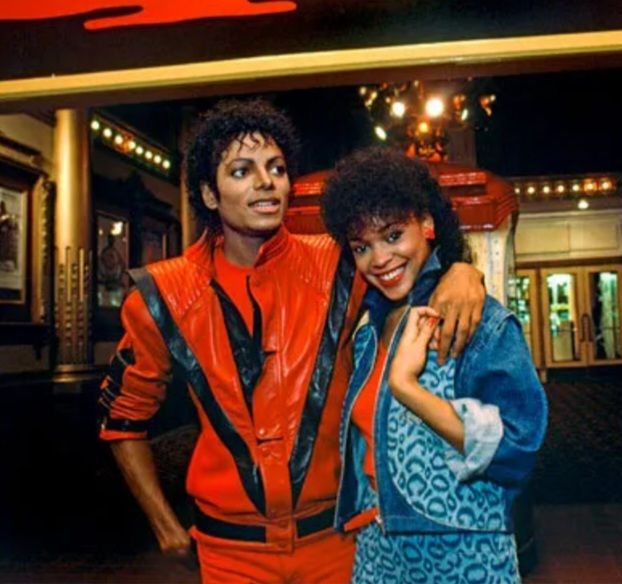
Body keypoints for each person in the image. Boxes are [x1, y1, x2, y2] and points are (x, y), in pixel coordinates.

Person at [98, 100, 486, 583]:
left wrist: (461, 271)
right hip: (230, 552)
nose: (266, 182)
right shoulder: (162, 295)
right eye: (242, 171)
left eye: (277, 169)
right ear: (210, 195)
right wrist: (164, 524)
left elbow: (406, 261)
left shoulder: (338, 264)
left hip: (337, 540)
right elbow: (122, 421)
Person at [321, 146, 547, 583]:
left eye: (392, 235)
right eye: (362, 246)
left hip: (463, 554)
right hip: (378, 551)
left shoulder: (478, 322)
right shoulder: (366, 332)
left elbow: (517, 450)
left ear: (426, 224)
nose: (379, 259)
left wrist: (408, 389)